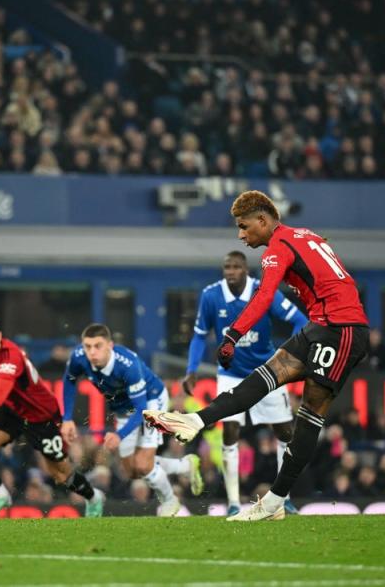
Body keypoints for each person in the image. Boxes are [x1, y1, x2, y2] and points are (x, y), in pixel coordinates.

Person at [143, 190, 370, 521]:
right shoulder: (301, 234)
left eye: (244, 226)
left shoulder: (277, 249)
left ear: (263, 220)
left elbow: (265, 295)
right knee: (265, 375)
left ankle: (275, 500)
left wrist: (232, 334)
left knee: (310, 414)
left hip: (342, 329)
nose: (240, 235)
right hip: (323, 325)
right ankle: (196, 420)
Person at [0, 313, 104, 519]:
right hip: (12, 409)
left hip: (41, 415)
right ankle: (0, 495)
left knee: (59, 473)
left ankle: (94, 497)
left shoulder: (10, 357)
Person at [182, 251, 307, 515]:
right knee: (229, 433)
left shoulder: (265, 291)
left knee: (284, 433)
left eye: (236, 267)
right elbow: (199, 336)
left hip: (269, 372)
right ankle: (234, 503)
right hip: (230, 374)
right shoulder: (211, 295)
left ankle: (283, 497)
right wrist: (191, 370)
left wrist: (290, 354)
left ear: (245, 270)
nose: (230, 271)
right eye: (226, 266)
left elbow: (300, 320)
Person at [63, 323, 203, 517]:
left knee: (144, 464)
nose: (92, 352)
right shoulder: (79, 357)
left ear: (110, 345)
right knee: (132, 471)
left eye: (98, 346)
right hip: (123, 409)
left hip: (151, 400)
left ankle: (170, 502)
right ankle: (184, 465)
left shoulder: (127, 366)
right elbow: (69, 380)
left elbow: (141, 410)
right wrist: (67, 418)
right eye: (87, 346)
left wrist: (120, 435)